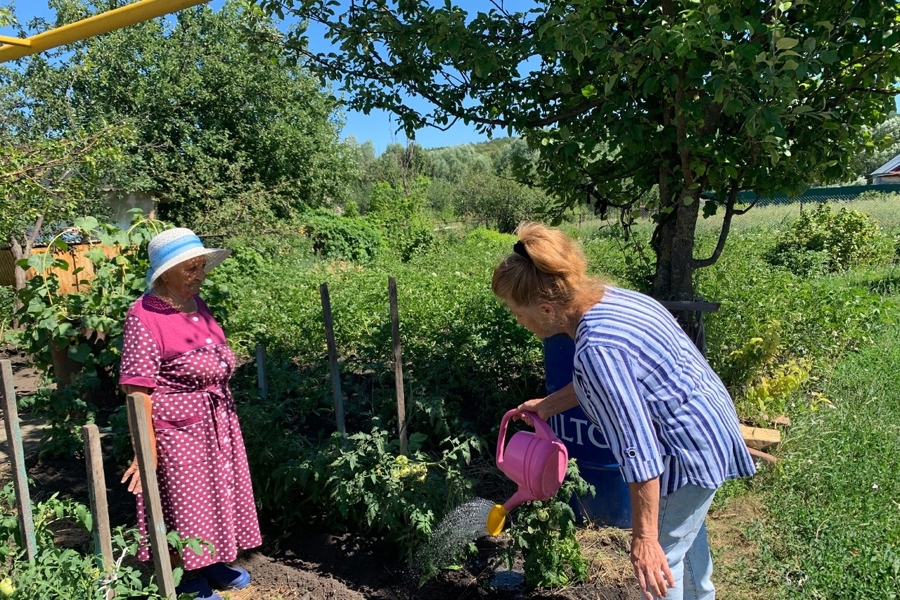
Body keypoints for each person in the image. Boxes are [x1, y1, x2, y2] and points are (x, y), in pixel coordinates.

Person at [492, 223, 755, 600]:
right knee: (686, 543)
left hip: (684, 454)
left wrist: (645, 538)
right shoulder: (610, 299)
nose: (518, 320)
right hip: (711, 427)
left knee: (661, 564)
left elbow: (639, 451)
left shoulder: (597, 349)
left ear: (546, 309)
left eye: (517, 311)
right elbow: (609, 380)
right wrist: (548, 405)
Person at [119, 228, 261, 600]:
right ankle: (183, 575)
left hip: (215, 422)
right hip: (176, 430)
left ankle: (209, 561)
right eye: (190, 269)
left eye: (201, 267)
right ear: (164, 272)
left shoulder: (197, 304)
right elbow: (136, 390)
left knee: (214, 495)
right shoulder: (144, 315)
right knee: (184, 502)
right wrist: (145, 450)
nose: (199, 275)